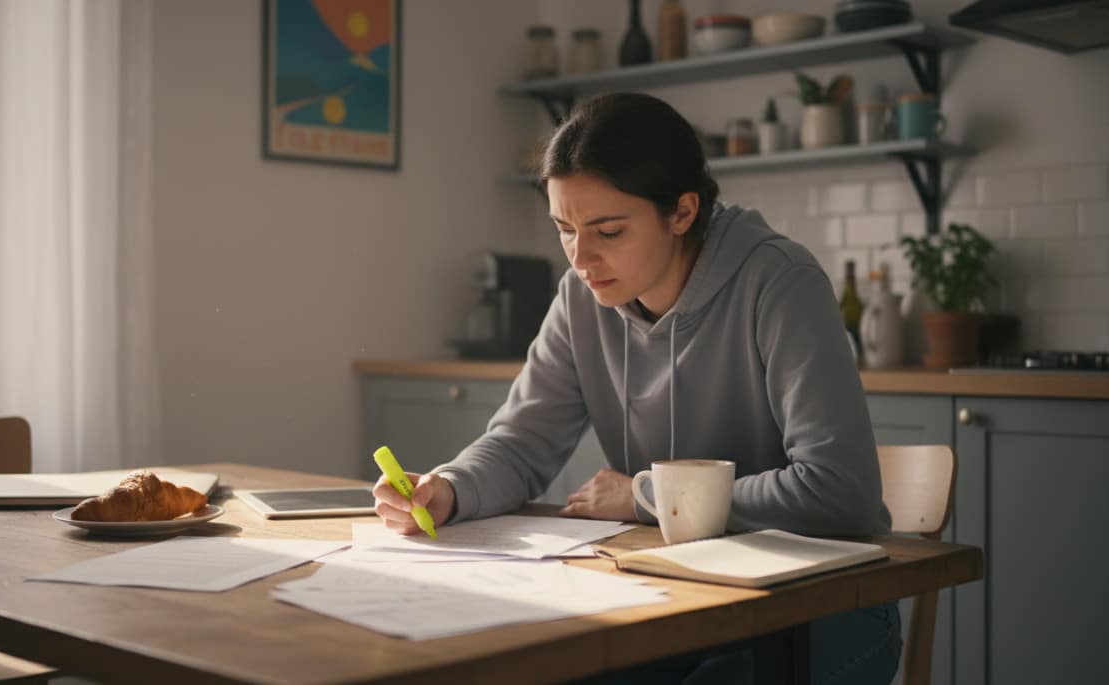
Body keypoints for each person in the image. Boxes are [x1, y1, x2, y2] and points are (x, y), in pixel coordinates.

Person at [373, 92, 901, 685]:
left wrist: (649, 497)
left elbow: (840, 491)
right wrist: (449, 487)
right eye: (564, 229)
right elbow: (521, 443)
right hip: (677, 594)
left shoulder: (779, 282)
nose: (581, 257)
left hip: (820, 608)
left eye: (608, 230)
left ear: (681, 212)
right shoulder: (582, 298)